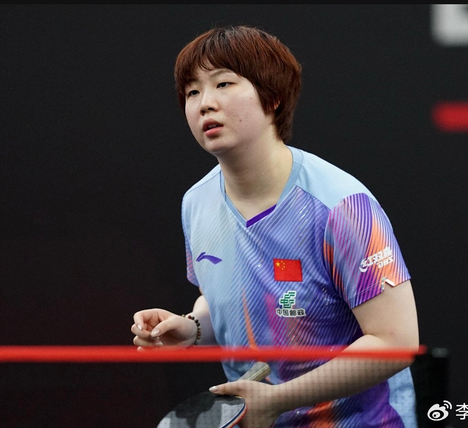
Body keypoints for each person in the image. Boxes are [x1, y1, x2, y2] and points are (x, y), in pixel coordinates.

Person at [131, 25, 419, 428]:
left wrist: (279, 400)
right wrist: (192, 327)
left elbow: (395, 343)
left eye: (224, 84)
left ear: (273, 98)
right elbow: (226, 298)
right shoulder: (197, 203)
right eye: (192, 92)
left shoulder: (341, 206)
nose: (205, 104)